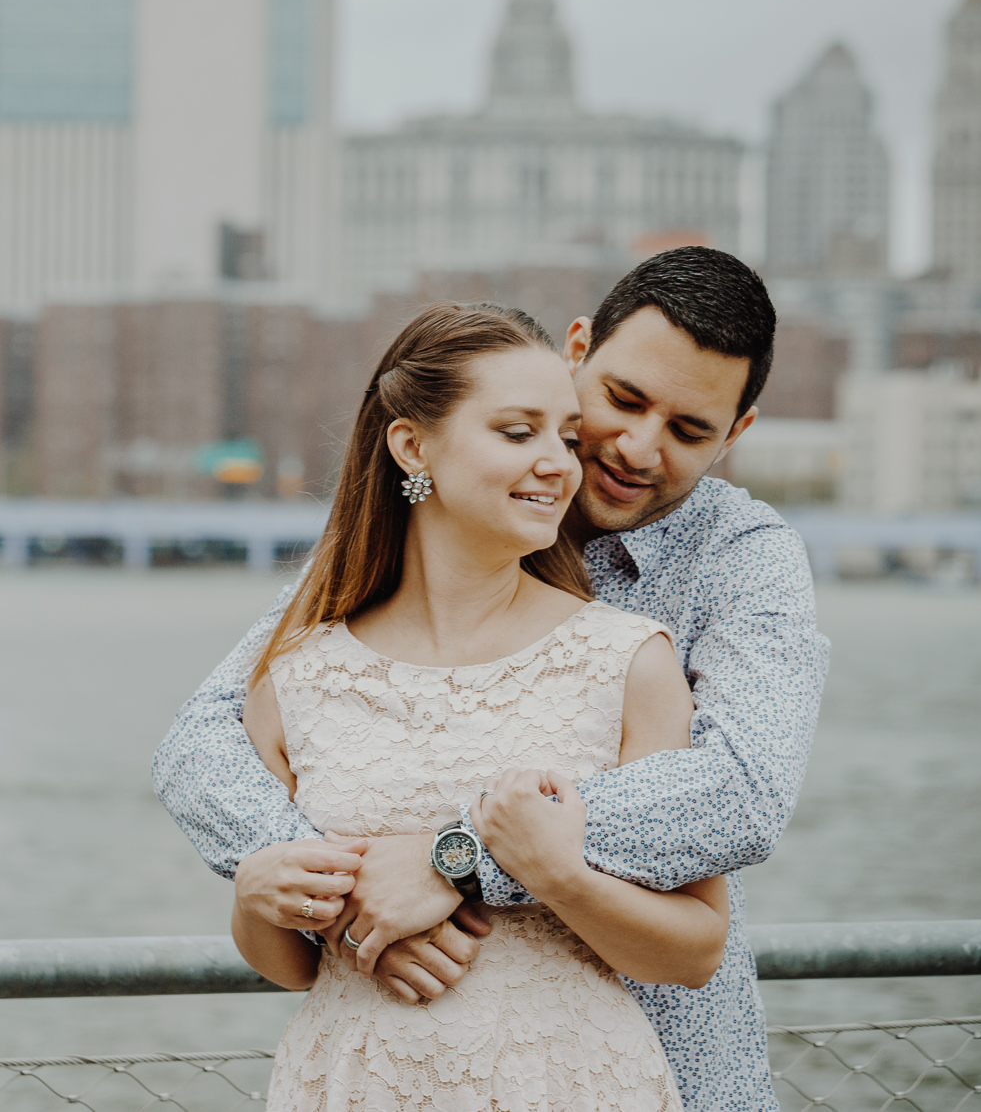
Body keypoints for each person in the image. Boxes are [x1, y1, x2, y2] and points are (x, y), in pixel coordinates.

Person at [154, 248, 828, 1112]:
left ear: (737, 434)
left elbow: (741, 792)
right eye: (622, 399)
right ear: (577, 348)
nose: (634, 445)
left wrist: (461, 855)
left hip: (660, 1067)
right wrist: (346, 904)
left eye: (690, 430)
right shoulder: (405, 540)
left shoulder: (742, 561)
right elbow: (202, 738)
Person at [234, 300, 723, 1110]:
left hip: (568, 1084)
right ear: (411, 444)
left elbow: (695, 948)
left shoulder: (627, 659)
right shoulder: (295, 675)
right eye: (517, 431)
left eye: (566, 437)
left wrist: (554, 873)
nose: (559, 464)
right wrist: (255, 897)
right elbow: (290, 964)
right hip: (356, 1083)